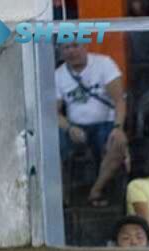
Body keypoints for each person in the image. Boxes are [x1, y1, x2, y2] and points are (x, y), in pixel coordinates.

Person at [55, 43, 128, 207]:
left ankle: (96, 190)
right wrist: (69, 127)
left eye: (76, 46)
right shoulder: (58, 75)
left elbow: (119, 101)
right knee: (52, 145)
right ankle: (62, 198)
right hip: (76, 127)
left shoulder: (104, 64)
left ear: (85, 46)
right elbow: (54, 113)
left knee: (118, 143)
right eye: (67, 48)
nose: (72, 51)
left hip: (106, 123)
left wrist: (118, 128)